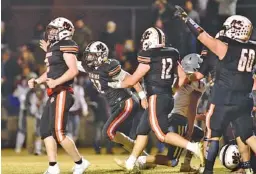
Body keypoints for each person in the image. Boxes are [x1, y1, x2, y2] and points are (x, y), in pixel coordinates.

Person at [108, 27, 204, 170]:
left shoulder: (149, 56)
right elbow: (183, 77)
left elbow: (132, 80)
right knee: (142, 130)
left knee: (162, 134)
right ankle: (131, 162)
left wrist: (114, 83)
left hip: (156, 97)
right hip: (166, 97)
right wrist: (171, 89)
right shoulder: (172, 53)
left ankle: (192, 146)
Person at [174, 6, 256, 174]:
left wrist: (186, 19)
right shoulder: (253, 48)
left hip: (222, 99)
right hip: (244, 100)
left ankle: (208, 170)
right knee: (247, 136)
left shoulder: (225, 47)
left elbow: (202, 36)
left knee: (212, 136)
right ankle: (248, 170)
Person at [29, 17, 90, 174]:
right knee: (44, 131)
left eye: (54, 29)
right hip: (54, 92)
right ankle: (53, 167)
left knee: (59, 133)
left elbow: (73, 70)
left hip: (63, 90)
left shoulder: (67, 44)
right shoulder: (55, 48)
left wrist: (56, 82)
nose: (51, 32)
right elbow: (50, 72)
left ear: (64, 31)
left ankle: (80, 163)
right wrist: (37, 81)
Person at [77, 41, 149, 155]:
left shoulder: (109, 66)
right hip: (116, 105)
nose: (88, 58)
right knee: (112, 132)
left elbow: (132, 80)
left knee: (108, 132)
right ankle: (141, 157)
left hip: (126, 102)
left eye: (92, 55)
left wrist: (143, 97)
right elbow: (74, 63)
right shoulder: (89, 67)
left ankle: (141, 155)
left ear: (101, 55)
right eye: (88, 54)